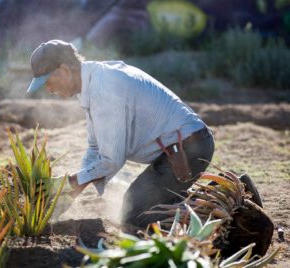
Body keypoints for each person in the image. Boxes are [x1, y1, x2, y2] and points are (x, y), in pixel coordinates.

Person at [26, 39, 215, 229]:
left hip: (189, 151)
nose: (49, 90)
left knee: (136, 216)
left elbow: (111, 160)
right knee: (144, 203)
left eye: (48, 83)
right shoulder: (93, 82)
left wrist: (70, 183)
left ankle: (221, 206)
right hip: (175, 151)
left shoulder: (104, 90)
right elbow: (95, 148)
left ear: (65, 71)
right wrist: (72, 192)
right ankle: (215, 193)